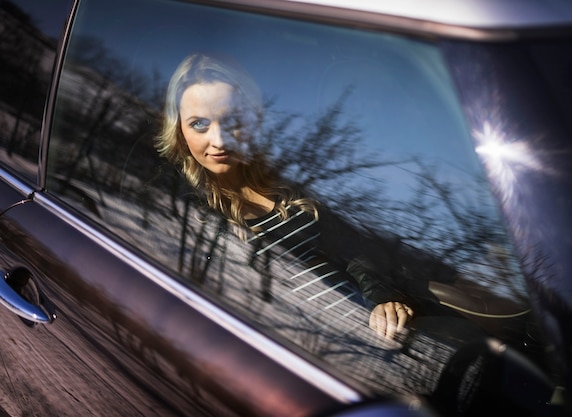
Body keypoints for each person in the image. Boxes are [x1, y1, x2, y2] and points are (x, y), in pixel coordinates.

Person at [155, 53, 416, 339]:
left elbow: (353, 250)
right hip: (301, 344)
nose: (219, 140)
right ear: (179, 128)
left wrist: (381, 298)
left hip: (368, 328)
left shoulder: (289, 184)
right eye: (199, 124)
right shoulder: (182, 204)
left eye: (232, 122)